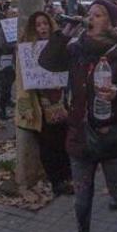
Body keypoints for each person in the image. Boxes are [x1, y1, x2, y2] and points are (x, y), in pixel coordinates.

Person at [39, 0, 117, 232]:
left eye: (98, 15)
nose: (91, 19)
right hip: (80, 133)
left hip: (112, 134)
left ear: (111, 22)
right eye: (89, 14)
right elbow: (48, 63)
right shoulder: (76, 48)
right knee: (82, 196)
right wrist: (62, 33)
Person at [16, 12, 72, 195]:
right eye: (38, 25)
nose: (42, 28)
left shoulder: (61, 44)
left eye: (45, 24)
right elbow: (22, 82)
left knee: (65, 142)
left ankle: (68, 177)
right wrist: (26, 107)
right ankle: (57, 182)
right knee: (48, 147)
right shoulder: (26, 50)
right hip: (40, 107)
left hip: (63, 103)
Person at [0, 9, 17, 120]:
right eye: (11, 13)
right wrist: (14, 46)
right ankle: (2, 110)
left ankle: (8, 101)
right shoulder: (2, 30)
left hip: (18, 59)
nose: (14, 15)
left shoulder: (20, 28)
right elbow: (3, 46)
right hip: (7, 60)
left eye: (15, 14)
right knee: (6, 85)